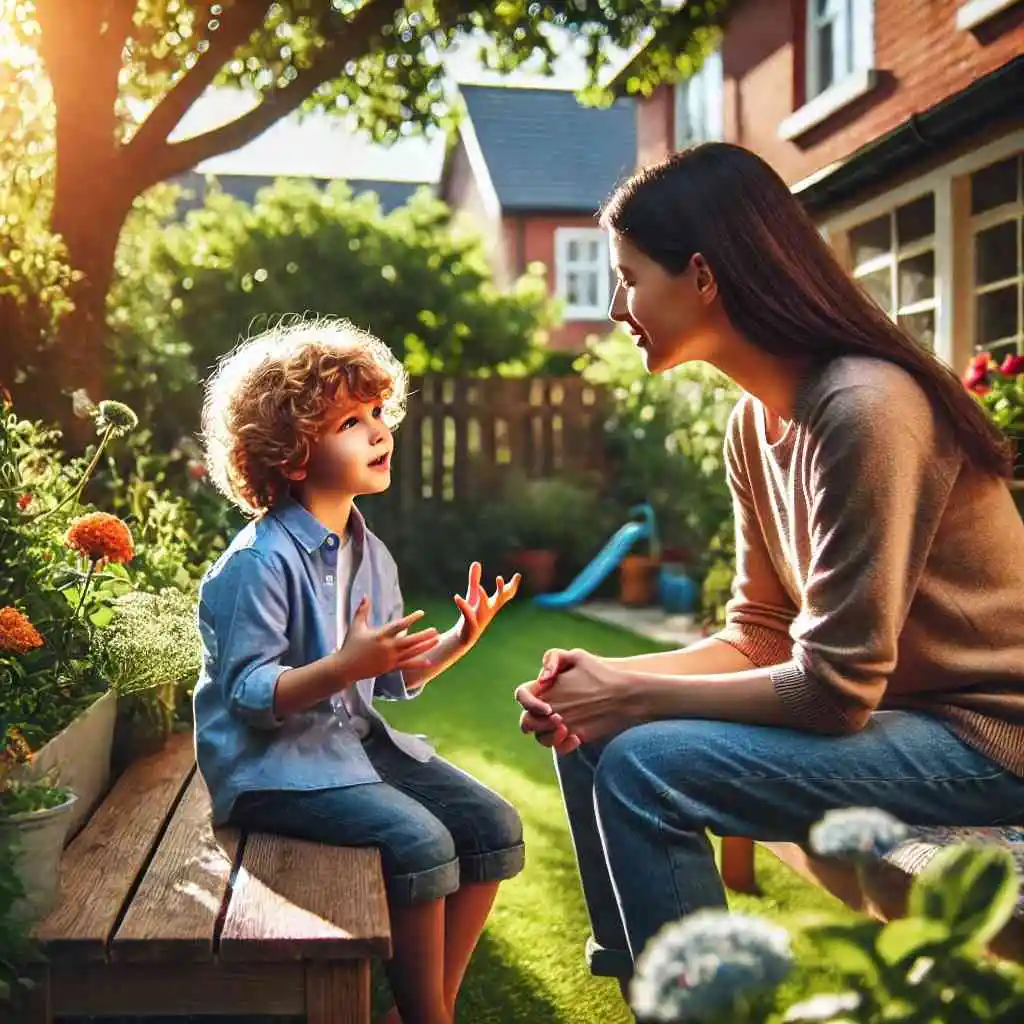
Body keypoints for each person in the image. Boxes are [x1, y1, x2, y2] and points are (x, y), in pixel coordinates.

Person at [515, 143, 1024, 991]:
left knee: (646, 761)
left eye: (630, 277)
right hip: (900, 724)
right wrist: (600, 682)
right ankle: (648, 979)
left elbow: (833, 689)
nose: (614, 306)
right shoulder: (755, 425)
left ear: (704, 276)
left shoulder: (864, 408)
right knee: (592, 732)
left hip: (988, 738)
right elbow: (758, 633)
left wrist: (631, 693)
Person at [195, 316, 524, 1024]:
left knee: (492, 825)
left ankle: (428, 1011)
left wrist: (459, 641)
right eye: (351, 420)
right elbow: (251, 696)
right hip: (271, 773)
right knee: (422, 842)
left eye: (379, 413)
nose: (379, 432)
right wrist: (344, 665)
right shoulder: (257, 563)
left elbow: (389, 678)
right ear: (289, 455)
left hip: (349, 751)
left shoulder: (368, 550)